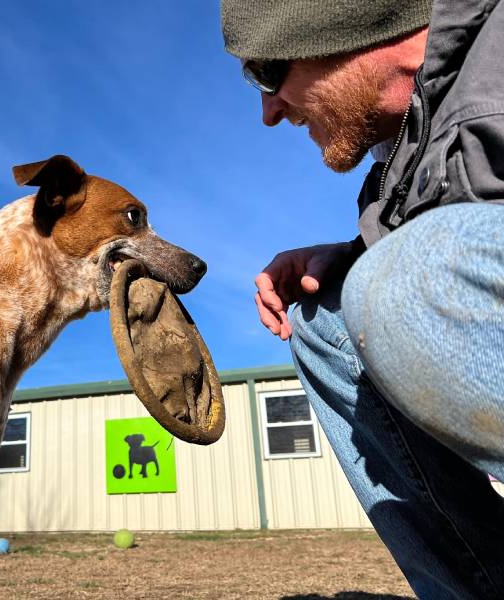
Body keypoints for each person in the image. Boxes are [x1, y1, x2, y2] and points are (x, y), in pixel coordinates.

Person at [221, 1, 504, 597]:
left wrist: (397, 267)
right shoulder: (401, 154)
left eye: (268, 73)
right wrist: (353, 256)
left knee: (398, 279)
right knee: (323, 320)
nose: (269, 111)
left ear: (343, 26)